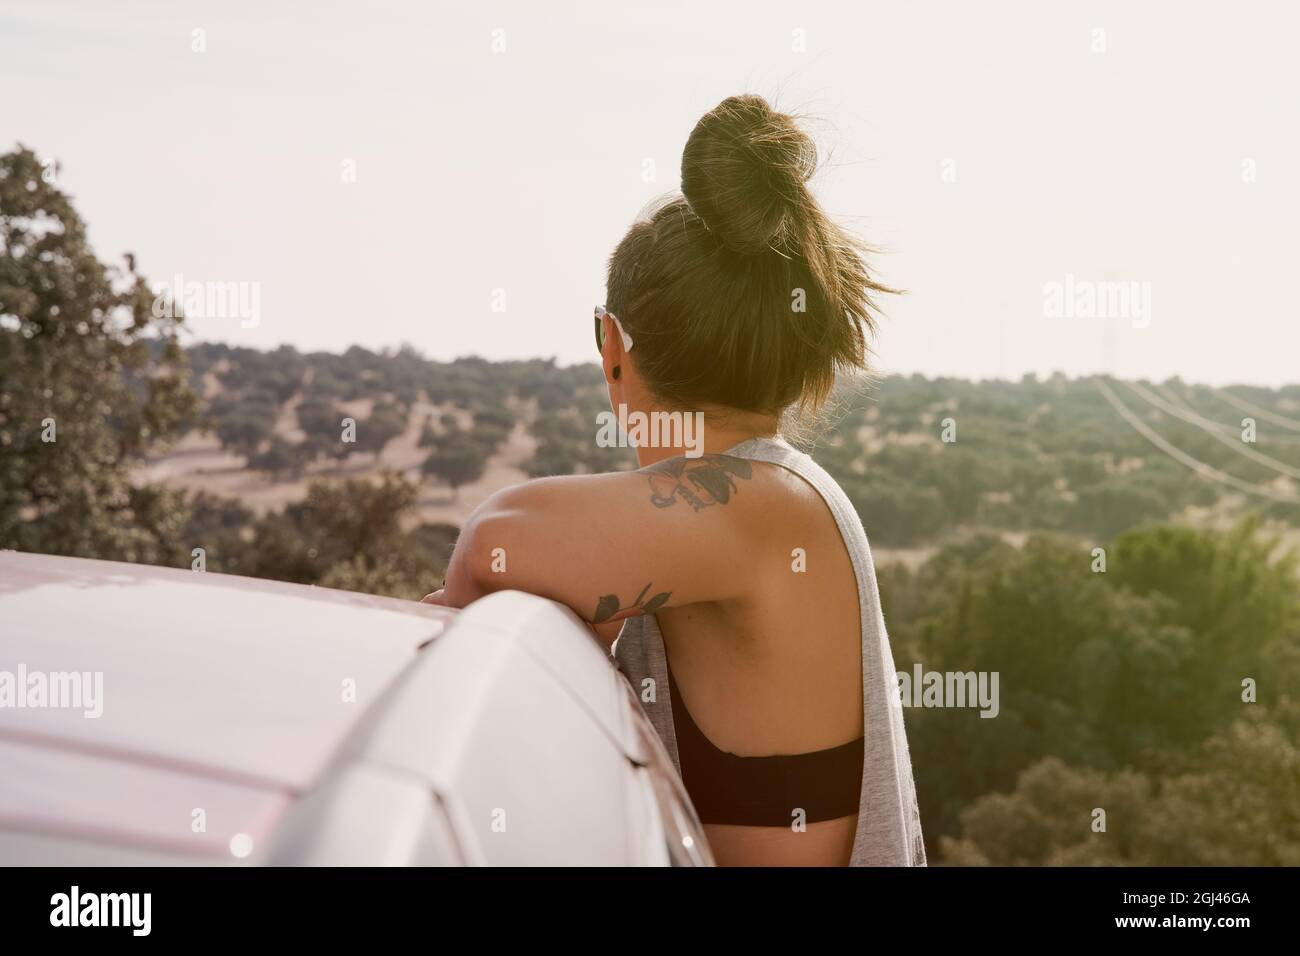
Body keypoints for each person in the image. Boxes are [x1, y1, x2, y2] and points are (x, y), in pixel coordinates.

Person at [424, 94, 924, 867]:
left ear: (612, 347)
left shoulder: (770, 507)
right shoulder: (776, 503)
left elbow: (499, 539)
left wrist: (459, 619)